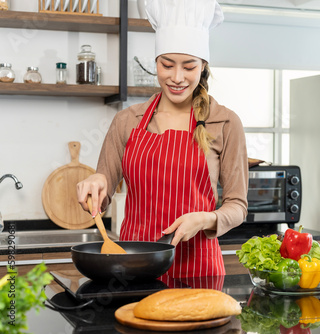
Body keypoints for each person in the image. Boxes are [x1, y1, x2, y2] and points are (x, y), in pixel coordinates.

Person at [76, 0, 248, 281]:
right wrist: (95, 185)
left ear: (203, 67)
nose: (177, 78)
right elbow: (102, 192)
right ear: (155, 63)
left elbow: (238, 205)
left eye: (189, 67)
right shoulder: (127, 120)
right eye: (167, 65)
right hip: (133, 267)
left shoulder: (225, 122)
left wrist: (206, 218)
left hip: (198, 270)